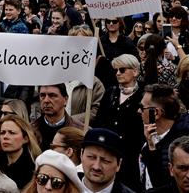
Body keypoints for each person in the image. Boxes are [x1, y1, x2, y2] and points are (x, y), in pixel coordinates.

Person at [96, 53, 145, 190]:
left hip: (132, 158)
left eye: (122, 70)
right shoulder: (110, 92)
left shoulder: (144, 95)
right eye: (116, 70)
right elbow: (99, 120)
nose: (118, 73)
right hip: (108, 153)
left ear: (134, 71)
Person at [141, 84, 189, 189]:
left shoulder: (181, 146)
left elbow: (161, 184)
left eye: (142, 107)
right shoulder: (147, 132)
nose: (139, 111)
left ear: (156, 113)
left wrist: (152, 148)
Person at [80, 127, 136, 193]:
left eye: (106, 161)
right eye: (91, 157)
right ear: (81, 155)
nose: (96, 167)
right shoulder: (66, 188)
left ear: (119, 164)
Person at [0, 114, 41, 190]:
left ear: (25, 139)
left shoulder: (32, 170)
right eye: (2, 132)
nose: (5, 136)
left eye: (12, 132)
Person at [33, 84, 83, 151]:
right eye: (42, 96)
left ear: (65, 100)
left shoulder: (80, 131)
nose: (46, 100)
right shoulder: (30, 130)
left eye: (52, 96)